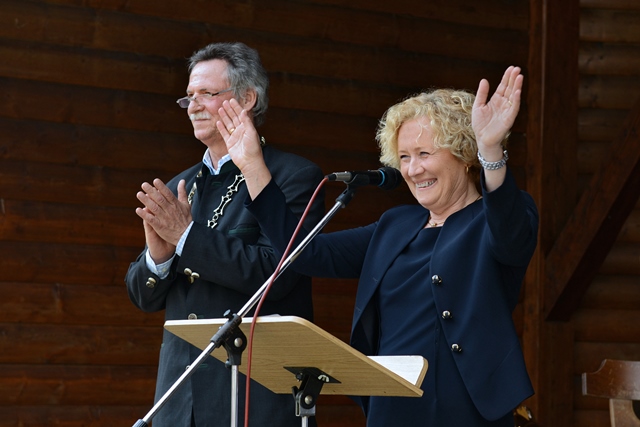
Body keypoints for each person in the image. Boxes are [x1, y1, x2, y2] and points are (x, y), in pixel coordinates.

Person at [217, 66, 539, 426]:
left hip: (466, 409)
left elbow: (510, 235)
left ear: (464, 154)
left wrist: (490, 148)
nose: (413, 170)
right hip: (392, 405)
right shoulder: (395, 225)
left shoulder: (498, 219)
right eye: (404, 157)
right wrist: (253, 166)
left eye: (424, 153)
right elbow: (306, 253)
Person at [125, 42, 325, 427]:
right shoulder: (182, 184)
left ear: (247, 99)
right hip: (180, 401)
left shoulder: (294, 177)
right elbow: (144, 298)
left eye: (207, 93)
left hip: (253, 396)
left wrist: (187, 237)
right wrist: (159, 258)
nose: (194, 106)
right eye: (189, 97)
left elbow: (276, 275)